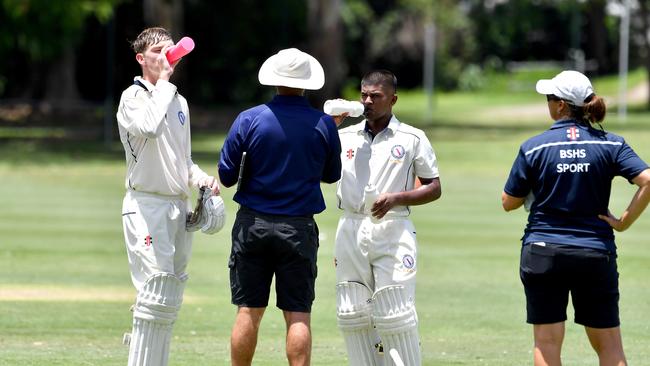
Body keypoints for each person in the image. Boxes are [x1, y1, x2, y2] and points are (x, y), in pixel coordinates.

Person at [502, 70, 650, 366]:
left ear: (560, 105)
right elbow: (648, 180)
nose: (547, 103)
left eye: (549, 98)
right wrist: (623, 222)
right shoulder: (611, 143)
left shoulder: (535, 146)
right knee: (609, 346)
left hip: (543, 251)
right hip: (595, 252)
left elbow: (509, 202)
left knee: (546, 343)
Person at [218, 48, 342, 366]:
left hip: (252, 224)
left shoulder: (249, 119)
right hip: (298, 228)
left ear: (273, 81)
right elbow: (332, 175)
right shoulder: (323, 124)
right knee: (298, 313)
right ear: (306, 83)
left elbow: (226, 176)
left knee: (248, 310)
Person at [116, 27, 221, 366]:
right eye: (157, 51)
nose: (165, 57)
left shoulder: (179, 102)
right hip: (146, 205)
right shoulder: (132, 98)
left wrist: (202, 179)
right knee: (153, 293)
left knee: (170, 295)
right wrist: (163, 82)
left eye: (169, 51)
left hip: (178, 205)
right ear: (141, 58)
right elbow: (148, 127)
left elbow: (182, 159)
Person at [331, 70, 442, 366]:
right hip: (351, 227)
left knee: (395, 312)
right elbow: (316, 166)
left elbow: (434, 187)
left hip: (393, 228)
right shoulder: (343, 136)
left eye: (375, 96)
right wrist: (327, 129)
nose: (367, 101)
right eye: (364, 95)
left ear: (392, 99)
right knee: (353, 311)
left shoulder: (412, 137)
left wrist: (397, 198)